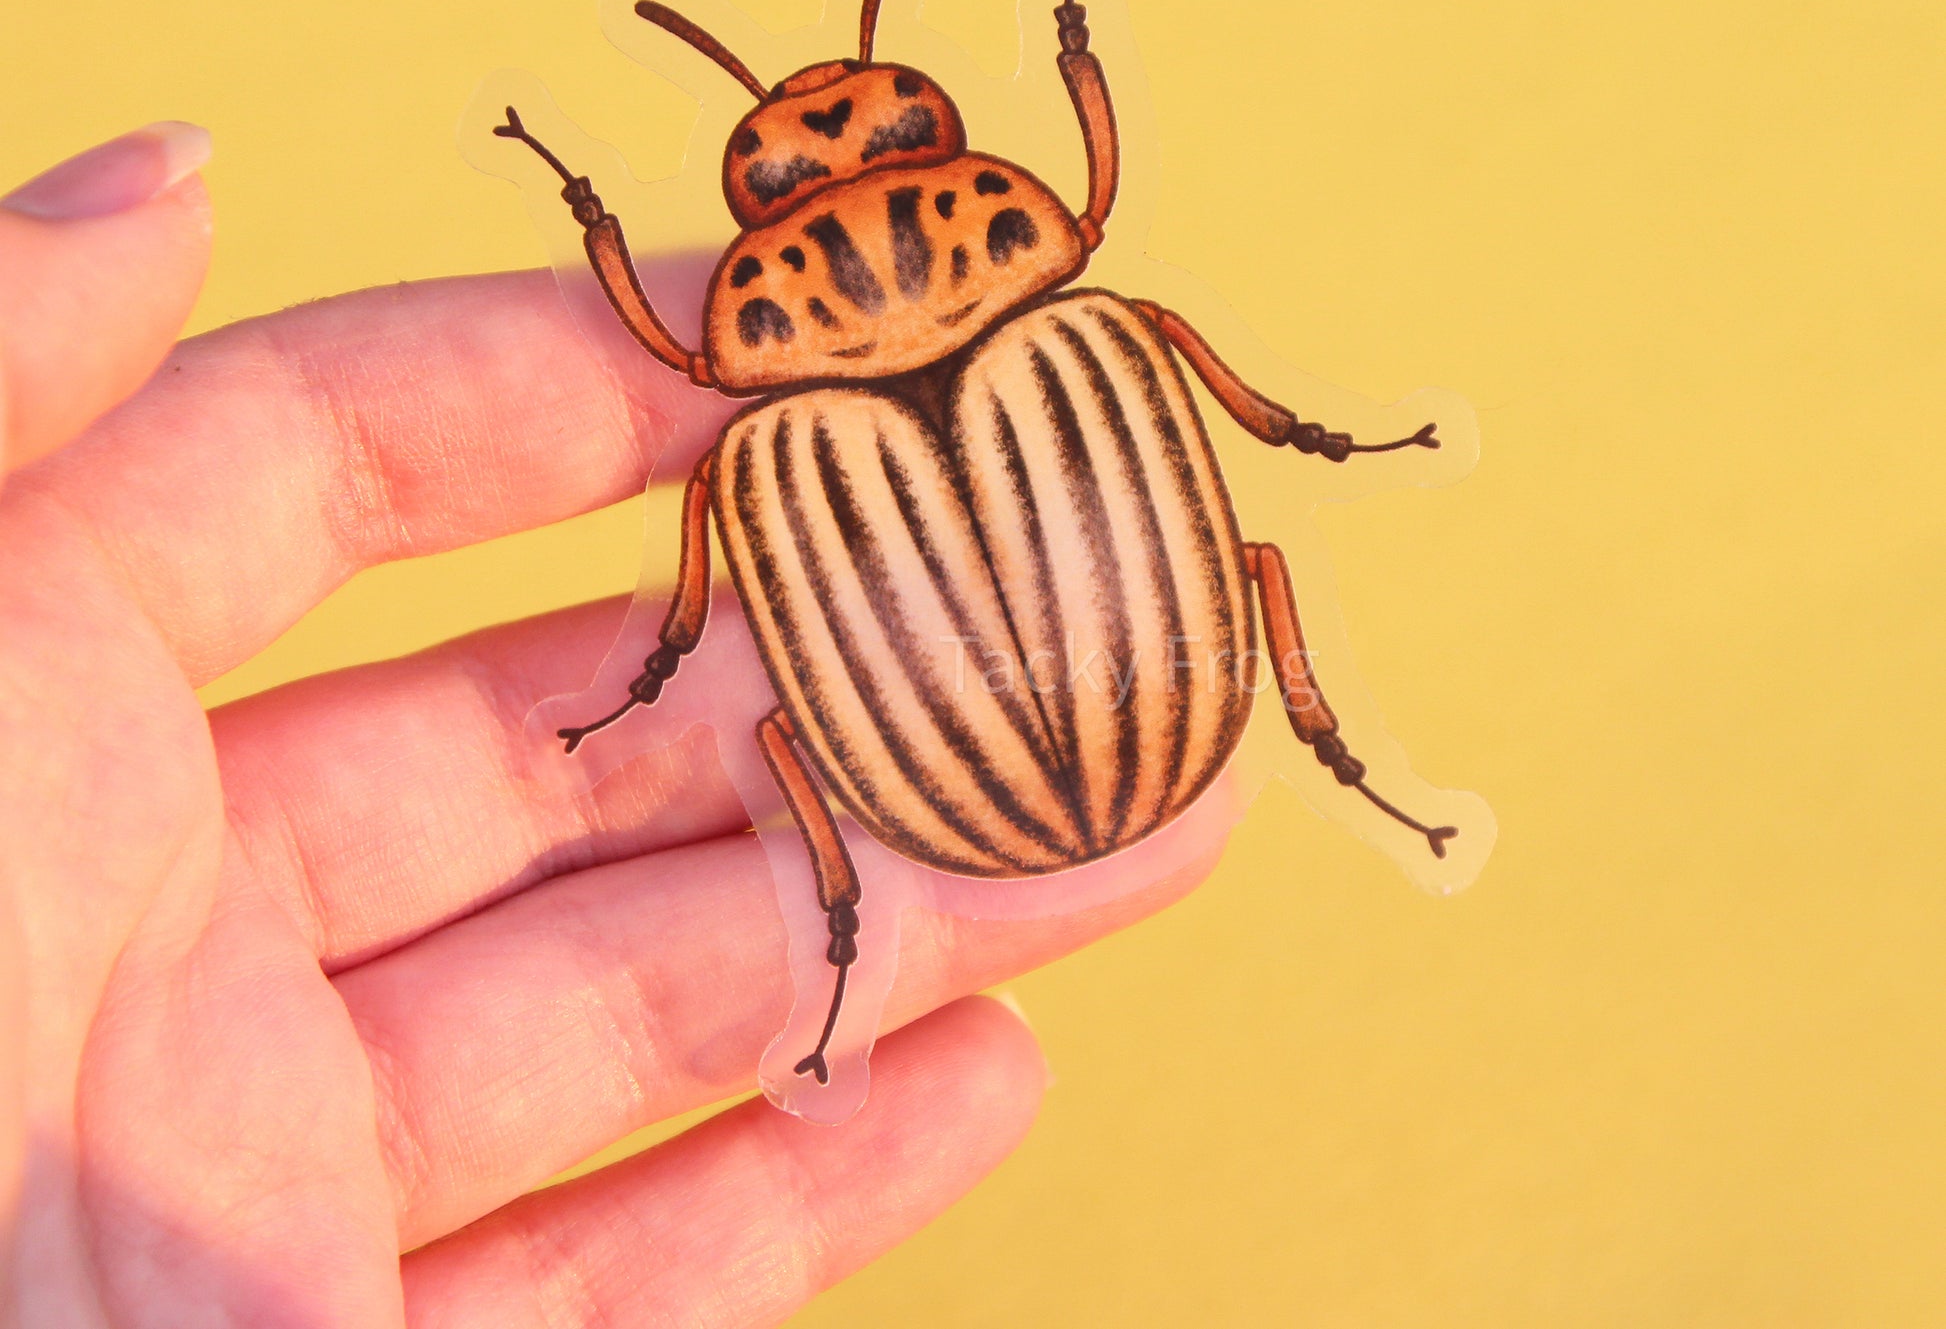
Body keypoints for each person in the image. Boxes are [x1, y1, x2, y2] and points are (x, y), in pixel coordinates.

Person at [0, 124, 1214, 1324]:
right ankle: (850, 912)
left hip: (973, 771)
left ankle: (840, 916)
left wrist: (590, 213)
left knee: (787, 724)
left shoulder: (760, 451)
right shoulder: (1092, 337)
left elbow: (663, 364)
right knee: (790, 720)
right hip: (1123, 719)